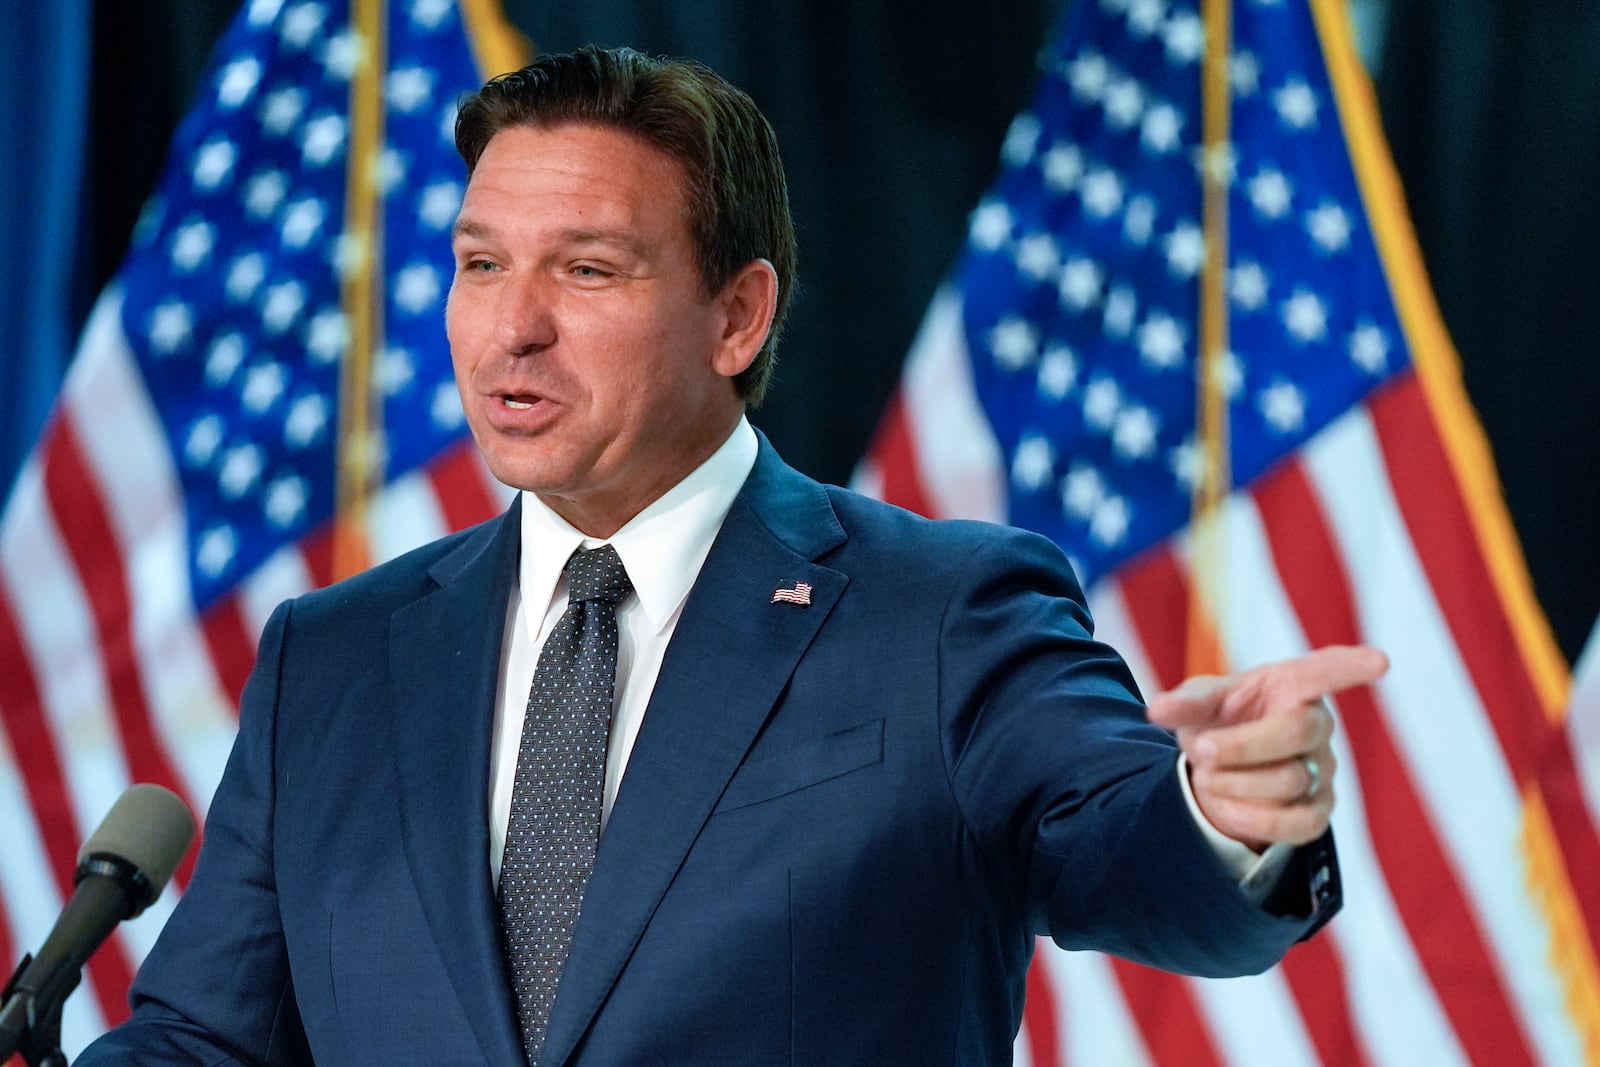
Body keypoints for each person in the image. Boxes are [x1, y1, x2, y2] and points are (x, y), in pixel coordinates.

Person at [78, 45, 1386, 1066]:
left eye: (586, 272)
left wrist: (1225, 819)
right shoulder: (337, 657)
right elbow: (209, 1040)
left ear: (737, 314)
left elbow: (1123, 861)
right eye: (480, 264)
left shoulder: (942, 614)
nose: (508, 330)